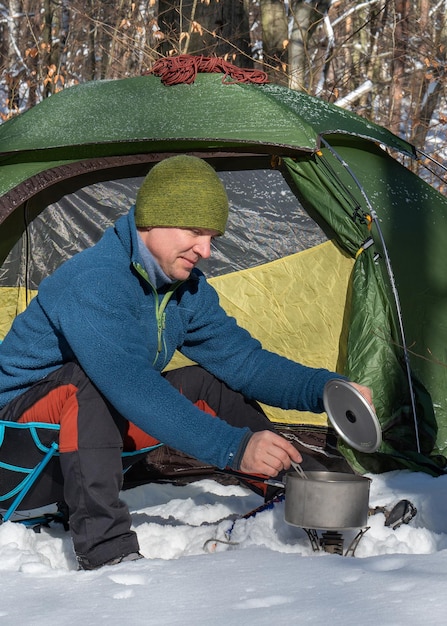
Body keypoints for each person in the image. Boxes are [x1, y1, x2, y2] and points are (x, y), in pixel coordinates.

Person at [0, 155, 373, 570]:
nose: (207, 250)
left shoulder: (185, 292)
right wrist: (233, 449)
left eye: (212, 236)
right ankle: (108, 553)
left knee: (206, 382)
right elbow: (129, 385)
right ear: (152, 219)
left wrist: (326, 390)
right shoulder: (93, 280)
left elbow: (246, 363)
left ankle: (314, 497)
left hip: (76, 451)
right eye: (195, 232)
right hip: (16, 463)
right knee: (90, 380)